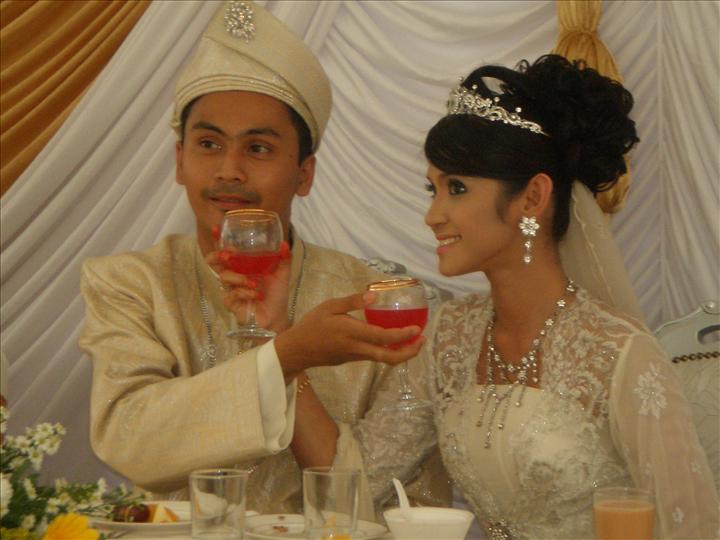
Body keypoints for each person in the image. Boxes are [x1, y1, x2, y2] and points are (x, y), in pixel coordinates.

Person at [295, 54, 719, 538]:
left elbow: (690, 528)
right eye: (432, 189)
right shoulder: (447, 338)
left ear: (533, 197)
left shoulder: (619, 353)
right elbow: (354, 482)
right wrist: (284, 354)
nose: (432, 215)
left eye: (456, 188)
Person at [79, 0, 450, 517]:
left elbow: (397, 502)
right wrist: (286, 355)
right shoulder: (130, 282)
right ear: (179, 161)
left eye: (258, 149)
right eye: (208, 144)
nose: (229, 170)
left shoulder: (373, 300)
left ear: (304, 174)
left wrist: (281, 350)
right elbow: (130, 439)